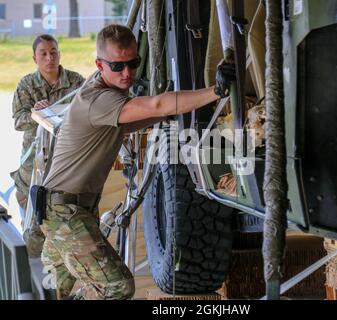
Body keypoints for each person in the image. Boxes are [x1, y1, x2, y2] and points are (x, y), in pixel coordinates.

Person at [39, 24, 236, 300]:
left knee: (54, 292)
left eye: (133, 63)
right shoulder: (99, 100)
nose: (127, 73)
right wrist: (216, 91)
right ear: (99, 64)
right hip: (64, 212)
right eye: (117, 66)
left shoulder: (105, 94)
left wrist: (171, 110)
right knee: (117, 287)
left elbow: (142, 118)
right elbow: (156, 106)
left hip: (67, 209)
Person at [10, 34, 85, 257]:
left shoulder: (75, 82)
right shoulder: (27, 85)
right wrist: (37, 113)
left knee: (63, 215)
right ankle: (32, 272)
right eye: (43, 53)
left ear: (59, 54)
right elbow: (18, 121)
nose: (49, 58)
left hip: (65, 160)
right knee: (33, 222)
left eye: (53, 52)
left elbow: (87, 112)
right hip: (33, 163)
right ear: (35, 58)